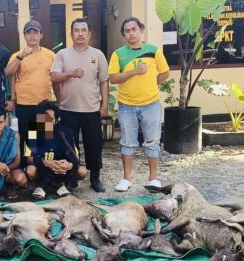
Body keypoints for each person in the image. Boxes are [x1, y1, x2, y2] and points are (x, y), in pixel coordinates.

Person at [108, 17, 169, 191]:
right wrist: (134, 72)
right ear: (124, 34)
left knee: (152, 140)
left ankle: (154, 179)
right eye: (127, 31)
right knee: (127, 142)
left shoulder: (153, 51)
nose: (131, 33)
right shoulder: (118, 54)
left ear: (141, 30)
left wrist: (151, 85)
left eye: (134, 29)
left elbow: (164, 73)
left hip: (151, 104)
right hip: (127, 105)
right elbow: (113, 78)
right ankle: (126, 179)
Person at [50, 18, 109, 193]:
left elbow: (104, 82)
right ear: (71, 34)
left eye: (84, 30)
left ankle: (95, 177)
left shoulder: (97, 55)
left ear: (89, 34)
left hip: (91, 109)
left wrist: (104, 105)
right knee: (69, 146)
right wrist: (70, 73)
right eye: (76, 30)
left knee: (94, 144)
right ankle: (72, 178)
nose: (80, 33)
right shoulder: (62, 54)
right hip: (68, 109)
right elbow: (53, 77)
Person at [5, 20, 58, 169]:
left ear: (41, 35)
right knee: (25, 139)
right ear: (24, 36)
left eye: (35, 32)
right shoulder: (18, 55)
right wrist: (21, 56)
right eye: (29, 32)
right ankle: (24, 170)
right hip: (24, 104)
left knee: (42, 140)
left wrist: (58, 100)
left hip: (44, 104)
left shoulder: (50, 55)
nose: (32, 35)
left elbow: (55, 79)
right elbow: (9, 72)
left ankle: (41, 172)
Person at [24, 101, 86, 199]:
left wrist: (69, 165)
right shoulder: (33, 132)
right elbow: (29, 158)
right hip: (42, 168)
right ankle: (40, 185)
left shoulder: (66, 133)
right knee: (31, 170)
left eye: (51, 118)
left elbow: (75, 157)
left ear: (56, 119)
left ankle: (61, 184)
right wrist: (46, 162)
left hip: (61, 168)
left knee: (82, 171)